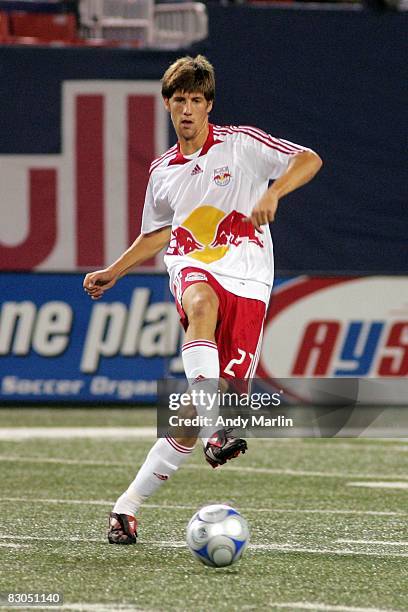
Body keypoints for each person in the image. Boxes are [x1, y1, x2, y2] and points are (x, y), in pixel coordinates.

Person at [83, 55, 322, 544]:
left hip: (250, 278)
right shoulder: (163, 171)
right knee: (199, 305)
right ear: (168, 107)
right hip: (194, 266)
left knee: (193, 415)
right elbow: (157, 236)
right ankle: (221, 426)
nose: (187, 109)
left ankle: (127, 507)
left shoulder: (242, 145)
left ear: (208, 106)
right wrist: (114, 270)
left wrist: (274, 191)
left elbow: (309, 159)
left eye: (196, 100)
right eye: (179, 101)